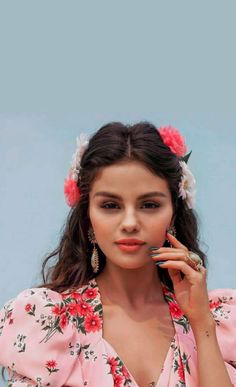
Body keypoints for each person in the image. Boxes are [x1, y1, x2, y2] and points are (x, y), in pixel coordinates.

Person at [0, 121, 235, 387]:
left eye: (149, 205)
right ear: (88, 216)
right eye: (111, 205)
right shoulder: (50, 326)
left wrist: (203, 325)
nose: (130, 222)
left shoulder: (216, 321)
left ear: (173, 214)